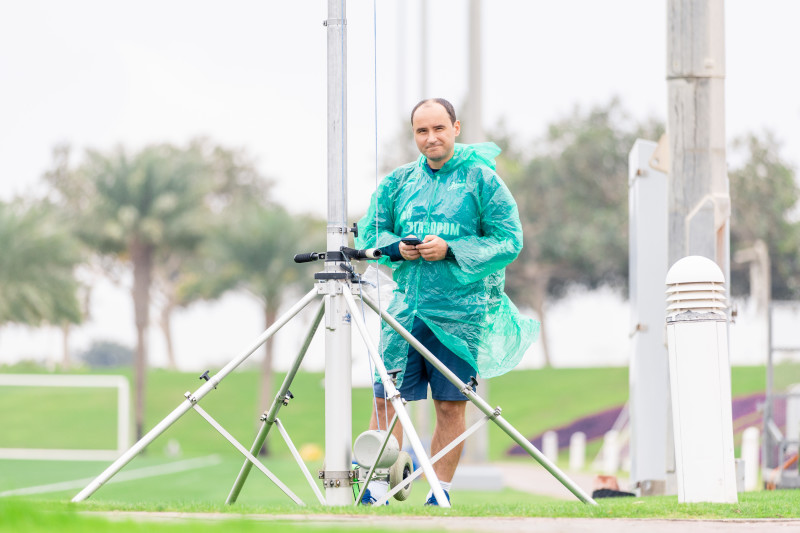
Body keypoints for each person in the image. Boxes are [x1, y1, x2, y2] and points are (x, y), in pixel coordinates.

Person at [355, 98, 539, 506]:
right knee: (387, 401)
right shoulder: (397, 182)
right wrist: (395, 248)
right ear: (414, 135)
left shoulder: (482, 181)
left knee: (451, 406)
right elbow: (371, 235)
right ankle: (378, 490)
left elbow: (508, 239)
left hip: (460, 315)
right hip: (404, 310)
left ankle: (441, 494)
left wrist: (452, 248)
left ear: (455, 128)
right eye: (422, 131)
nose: (431, 138)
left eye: (439, 128)